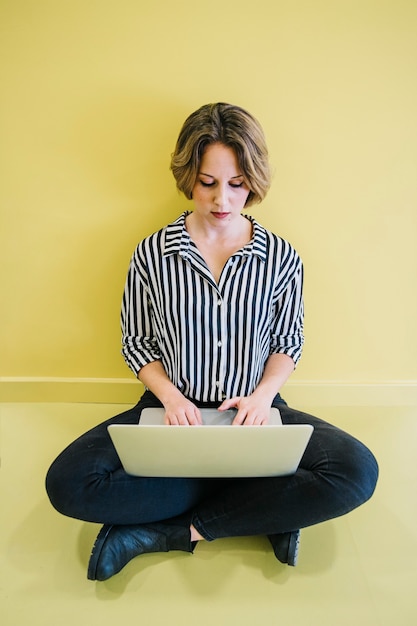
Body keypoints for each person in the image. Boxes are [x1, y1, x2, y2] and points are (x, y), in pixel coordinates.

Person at [46, 102, 378, 581]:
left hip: (254, 415)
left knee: (356, 471)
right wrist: (172, 396)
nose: (223, 199)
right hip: (172, 412)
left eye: (237, 184)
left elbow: (289, 341)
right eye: (208, 182)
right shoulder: (152, 254)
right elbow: (137, 343)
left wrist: (263, 397)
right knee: (68, 483)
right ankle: (266, 507)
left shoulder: (281, 258)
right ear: (189, 175)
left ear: (253, 180)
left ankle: (177, 531)